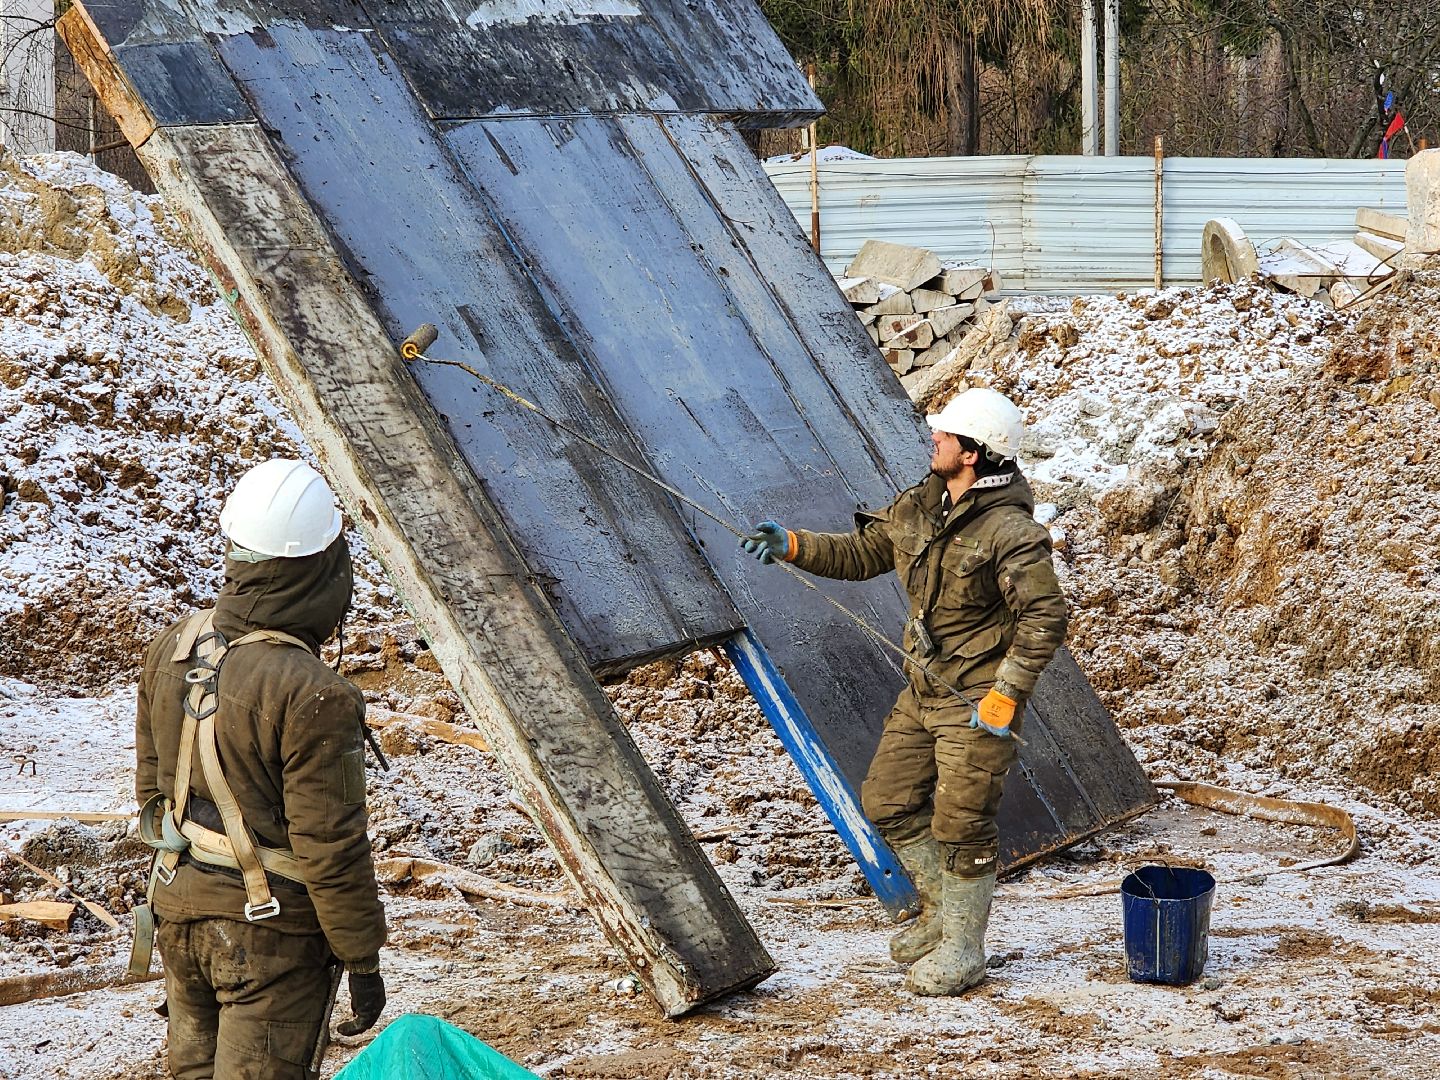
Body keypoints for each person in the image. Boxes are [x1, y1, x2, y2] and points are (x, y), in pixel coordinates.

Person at [741, 387, 1067, 996]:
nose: (933, 439)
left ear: (972, 453)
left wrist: (1006, 693)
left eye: (944, 435)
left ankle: (964, 947)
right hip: (924, 688)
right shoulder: (924, 501)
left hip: (977, 698)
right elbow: (865, 553)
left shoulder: (1012, 533)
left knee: (962, 822)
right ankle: (941, 914)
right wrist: (793, 545)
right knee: (887, 800)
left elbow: (1044, 618)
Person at [134, 458, 388, 1078]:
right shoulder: (313, 694)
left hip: (177, 913)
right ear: (323, 569)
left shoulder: (173, 644)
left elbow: (152, 790)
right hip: (268, 942)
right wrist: (362, 958)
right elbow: (330, 845)